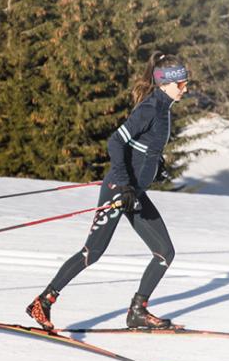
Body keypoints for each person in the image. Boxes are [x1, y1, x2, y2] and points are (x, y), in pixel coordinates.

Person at [26, 52, 188, 331]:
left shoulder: (164, 109)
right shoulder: (151, 108)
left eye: (186, 83)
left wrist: (156, 167)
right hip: (119, 189)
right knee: (93, 252)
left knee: (164, 252)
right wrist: (124, 184)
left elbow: (144, 148)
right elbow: (115, 142)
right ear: (164, 83)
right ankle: (43, 301)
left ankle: (137, 311)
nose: (185, 88)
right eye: (181, 84)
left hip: (133, 193)